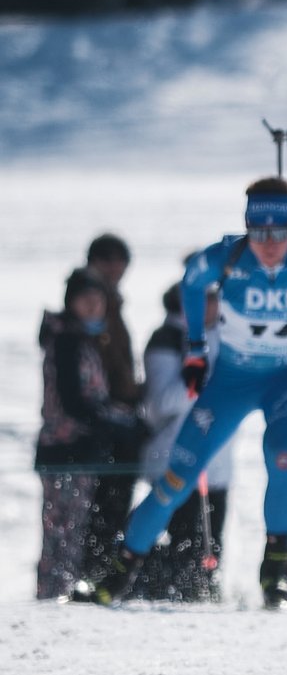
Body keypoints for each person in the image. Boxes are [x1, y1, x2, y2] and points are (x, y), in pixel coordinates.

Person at [82, 178, 287, 607]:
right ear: (247, 227)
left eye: (279, 233)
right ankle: (116, 576)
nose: (269, 244)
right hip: (232, 382)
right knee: (176, 479)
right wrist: (195, 351)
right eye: (259, 233)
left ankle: (274, 574)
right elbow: (190, 281)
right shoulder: (227, 256)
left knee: (281, 455)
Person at [36, 269, 142, 598]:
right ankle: (54, 595)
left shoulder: (85, 339)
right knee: (62, 532)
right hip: (63, 449)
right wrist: (114, 422)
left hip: (80, 450)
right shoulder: (67, 340)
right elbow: (74, 403)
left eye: (99, 301)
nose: (94, 308)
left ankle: (64, 590)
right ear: (72, 302)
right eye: (87, 301)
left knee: (75, 529)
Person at [134, 279, 235, 601]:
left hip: (217, 462)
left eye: (215, 298)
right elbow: (161, 403)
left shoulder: (229, 335)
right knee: (180, 541)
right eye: (203, 298)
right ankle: (162, 592)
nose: (212, 305)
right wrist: (201, 382)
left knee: (209, 545)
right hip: (175, 459)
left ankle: (202, 591)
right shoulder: (168, 338)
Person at [81, 234, 142, 580]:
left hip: (122, 412)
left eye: (120, 260)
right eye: (107, 259)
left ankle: (104, 569)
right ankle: (93, 571)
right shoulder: (88, 302)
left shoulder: (114, 302)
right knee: (101, 506)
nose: (115, 268)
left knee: (115, 504)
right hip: (102, 421)